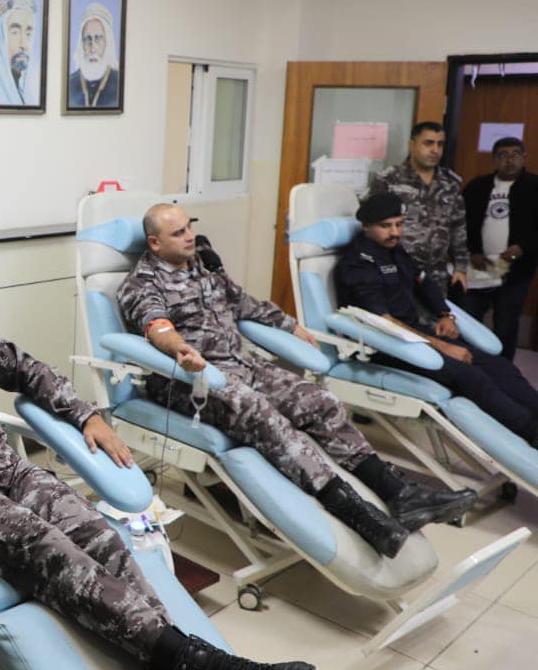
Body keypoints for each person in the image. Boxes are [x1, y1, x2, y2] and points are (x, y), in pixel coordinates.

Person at [0, 231, 316, 670]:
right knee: (45, 546)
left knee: (100, 535)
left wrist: (86, 415)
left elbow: (27, 370)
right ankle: (207, 669)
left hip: (6, 468)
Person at [117, 204, 474, 559]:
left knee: (321, 401)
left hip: (242, 365)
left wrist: (290, 325)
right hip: (192, 381)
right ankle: (357, 513)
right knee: (263, 415)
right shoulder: (141, 284)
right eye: (178, 232)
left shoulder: (203, 265)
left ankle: (399, 493)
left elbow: (243, 303)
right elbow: (157, 326)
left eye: (189, 227)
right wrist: (181, 349)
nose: (190, 236)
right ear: (155, 242)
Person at [336, 191, 538, 446]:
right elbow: (383, 321)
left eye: (399, 224)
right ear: (366, 227)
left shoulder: (394, 251)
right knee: (470, 376)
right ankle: (531, 431)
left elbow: (423, 283)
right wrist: (442, 346)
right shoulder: (357, 265)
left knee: (499, 366)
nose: (395, 232)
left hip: (415, 335)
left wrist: (445, 314)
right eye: (386, 226)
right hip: (384, 344)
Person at [366, 121, 469, 298]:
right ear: (412, 145)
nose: (435, 150)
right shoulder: (389, 179)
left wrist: (461, 267)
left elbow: (458, 227)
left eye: (440, 144)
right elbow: (371, 224)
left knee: (438, 315)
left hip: (435, 274)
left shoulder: (450, 184)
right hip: (396, 270)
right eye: (428, 143)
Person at [461, 136, 538, 359]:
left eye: (515, 154)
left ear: (524, 158)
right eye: (503, 155)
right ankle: (470, 366)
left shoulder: (534, 186)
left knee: (505, 324)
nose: (509, 160)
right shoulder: (477, 186)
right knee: (469, 321)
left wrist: (523, 248)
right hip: (479, 268)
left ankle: (503, 370)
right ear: (494, 160)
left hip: (515, 271)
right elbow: (460, 223)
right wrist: (472, 251)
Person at [67, 1, 120, 109]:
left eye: (98, 39)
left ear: (107, 42)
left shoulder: (119, 82)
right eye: (87, 39)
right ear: (81, 43)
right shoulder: (70, 83)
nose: (92, 49)